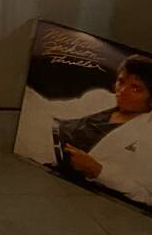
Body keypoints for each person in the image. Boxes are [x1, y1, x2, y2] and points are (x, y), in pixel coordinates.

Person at [17, 54, 152, 206]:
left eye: (136, 88)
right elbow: (51, 108)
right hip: (41, 130)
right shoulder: (102, 97)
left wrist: (98, 170)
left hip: (50, 157)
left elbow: (146, 195)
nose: (122, 91)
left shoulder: (147, 136)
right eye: (121, 81)